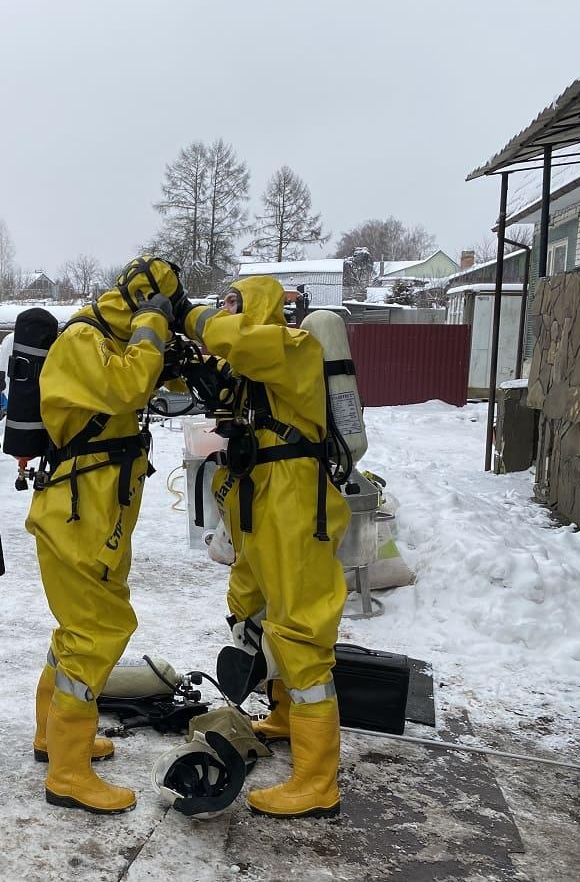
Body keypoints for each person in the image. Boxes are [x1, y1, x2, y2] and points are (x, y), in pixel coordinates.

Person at [179, 276, 350, 818]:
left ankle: (317, 782)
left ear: (259, 307)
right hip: (257, 501)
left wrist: (188, 313)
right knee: (251, 610)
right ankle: (282, 714)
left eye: (234, 302)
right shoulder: (251, 365)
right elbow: (217, 384)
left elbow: (236, 340)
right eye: (223, 304)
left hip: (296, 506)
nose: (225, 310)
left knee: (300, 629)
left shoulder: (291, 347)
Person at [26, 255, 185, 815]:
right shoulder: (83, 340)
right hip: (76, 519)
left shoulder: (114, 341)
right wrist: (154, 325)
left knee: (81, 629)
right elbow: (127, 387)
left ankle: (53, 737)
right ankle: (68, 774)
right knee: (97, 632)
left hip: (96, 518)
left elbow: (159, 383)